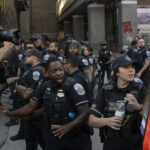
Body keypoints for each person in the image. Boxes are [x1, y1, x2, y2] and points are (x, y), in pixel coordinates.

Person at [0, 58, 91, 150]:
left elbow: (85, 112)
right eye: (54, 71)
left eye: (60, 69)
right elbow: (31, 107)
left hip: (76, 138)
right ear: (47, 73)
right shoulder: (45, 86)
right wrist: (11, 113)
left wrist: (67, 127)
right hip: (55, 137)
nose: (59, 73)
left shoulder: (73, 85)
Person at [89, 55, 148, 150]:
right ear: (117, 72)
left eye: (132, 67)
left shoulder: (140, 89)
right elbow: (91, 120)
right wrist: (107, 121)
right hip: (111, 145)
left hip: (135, 145)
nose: (131, 70)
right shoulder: (106, 90)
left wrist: (139, 107)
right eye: (126, 67)